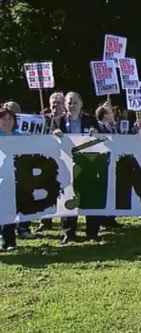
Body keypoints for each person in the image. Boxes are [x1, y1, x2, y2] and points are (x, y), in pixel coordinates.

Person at [50, 91, 102, 244]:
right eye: (69, 102)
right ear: (65, 105)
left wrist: (96, 133)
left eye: (74, 102)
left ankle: (92, 232)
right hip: (66, 165)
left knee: (90, 197)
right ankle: (69, 232)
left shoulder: (91, 120)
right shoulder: (57, 121)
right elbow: (48, 140)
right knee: (68, 197)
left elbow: (102, 139)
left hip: (88, 165)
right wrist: (54, 134)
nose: (71, 105)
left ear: (81, 104)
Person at [35, 92, 66, 233]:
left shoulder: (67, 121)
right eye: (53, 102)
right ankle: (45, 220)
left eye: (59, 102)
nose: (55, 105)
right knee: (44, 190)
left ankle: (64, 219)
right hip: (44, 160)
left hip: (63, 159)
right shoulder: (42, 120)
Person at [0, 108, 27, 250]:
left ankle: (9, 242)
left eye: (10, 119)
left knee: (9, 212)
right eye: (3, 118)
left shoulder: (19, 136)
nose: (7, 122)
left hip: (14, 180)